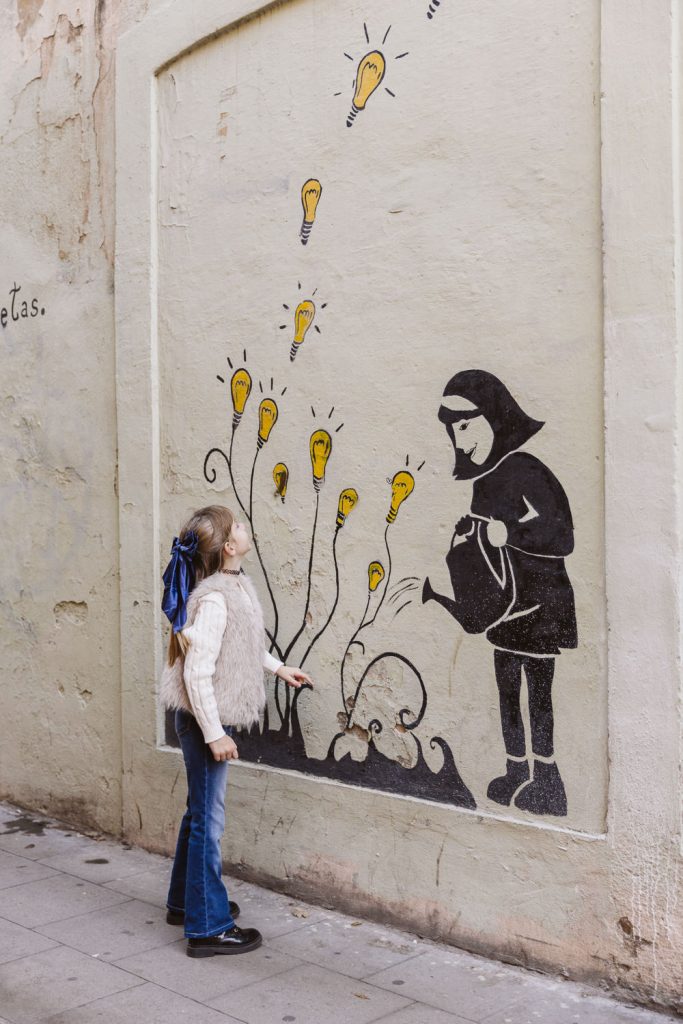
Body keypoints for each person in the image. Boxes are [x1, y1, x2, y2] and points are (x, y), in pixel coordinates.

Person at [158, 504, 313, 957]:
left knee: (198, 812)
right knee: (209, 820)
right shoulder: (213, 600)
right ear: (229, 546)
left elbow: (244, 644)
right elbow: (196, 673)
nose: (246, 528)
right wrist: (214, 733)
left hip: (208, 717)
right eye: (239, 525)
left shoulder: (232, 587)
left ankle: (185, 904)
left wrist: (279, 667)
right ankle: (208, 928)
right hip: (205, 719)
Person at [422, 370, 577, 817]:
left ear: (495, 417)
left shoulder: (527, 469)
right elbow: (486, 552)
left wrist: (508, 532)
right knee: (507, 690)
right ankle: (516, 768)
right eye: (453, 430)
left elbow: (561, 535)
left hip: (541, 607)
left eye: (466, 426)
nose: (459, 439)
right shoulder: (483, 483)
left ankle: (548, 779)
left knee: (538, 693)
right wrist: (468, 537)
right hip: (504, 609)